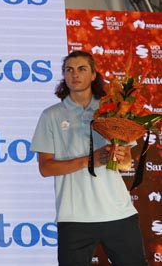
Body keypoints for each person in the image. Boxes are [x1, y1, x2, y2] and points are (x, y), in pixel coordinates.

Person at [30, 50, 147, 265]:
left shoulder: (112, 110)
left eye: (82, 69)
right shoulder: (51, 115)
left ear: (93, 74)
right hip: (75, 217)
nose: (75, 74)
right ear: (64, 75)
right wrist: (88, 160)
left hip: (118, 212)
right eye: (69, 70)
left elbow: (126, 164)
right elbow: (45, 168)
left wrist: (119, 157)